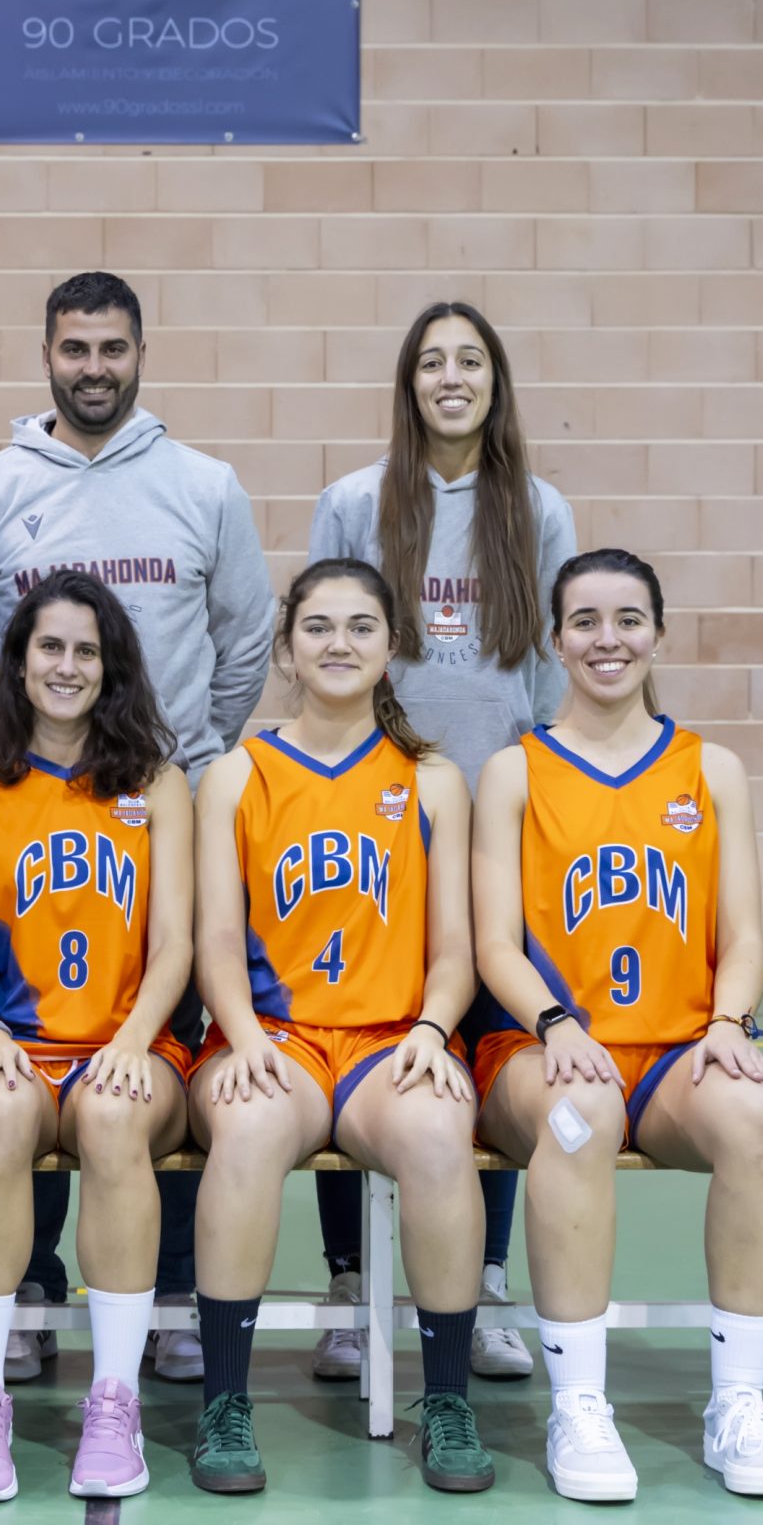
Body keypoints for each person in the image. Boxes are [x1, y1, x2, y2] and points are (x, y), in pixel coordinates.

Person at [0, 270, 275, 1383]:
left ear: (140, 353)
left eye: (112, 347)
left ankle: (170, 1294)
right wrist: (19, 757)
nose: (94, 367)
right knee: (26, 1018)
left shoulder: (204, 485)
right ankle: (29, 1287)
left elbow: (243, 640)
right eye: (75, 348)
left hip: (162, 793)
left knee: (157, 1033)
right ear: (46, 354)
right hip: (30, 792)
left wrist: (180, 752)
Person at [466, 548, 763, 1501]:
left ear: (658, 632)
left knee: (756, 1117)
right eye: (585, 621)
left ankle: (738, 1403)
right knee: (581, 1117)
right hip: (541, 1047)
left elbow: (745, 936)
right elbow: (494, 943)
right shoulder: (515, 771)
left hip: (675, 1046)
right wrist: (555, 1020)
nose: (606, 639)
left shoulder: (712, 769)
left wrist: (730, 1019)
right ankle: (579, 1405)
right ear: (555, 640)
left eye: (627, 619)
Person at [303, 301, 578, 1385]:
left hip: (496, 815)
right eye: (431, 362)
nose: (450, 378)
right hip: (377, 814)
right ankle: (347, 1284)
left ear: (494, 382)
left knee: (482, 1039)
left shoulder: (537, 509)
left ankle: (486, 1279)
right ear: (408, 382)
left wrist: (533, 789)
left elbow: (550, 674)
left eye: (470, 361)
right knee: (350, 1029)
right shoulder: (353, 501)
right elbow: (325, 640)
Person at [183, 558, 492, 1496]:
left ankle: (448, 1398)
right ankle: (225, 1403)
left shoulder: (431, 779)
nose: (338, 644)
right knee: (245, 1132)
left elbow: (454, 947)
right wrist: (242, 1037)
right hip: (271, 1033)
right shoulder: (237, 774)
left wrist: (434, 1028)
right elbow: (216, 939)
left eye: (361, 627)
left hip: (388, 1038)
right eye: (317, 627)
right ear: (286, 649)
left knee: (438, 1135)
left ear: (392, 648)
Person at [0, 570, 195, 1502]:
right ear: (18, 661)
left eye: (88, 649)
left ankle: (115, 1402)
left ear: (112, 665)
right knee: (0, 1114)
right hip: (5, 1040)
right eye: (50, 646)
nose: (68, 665)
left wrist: (134, 1037)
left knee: (116, 1119)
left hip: (125, 1043)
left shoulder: (158, 784)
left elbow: (175, 942)